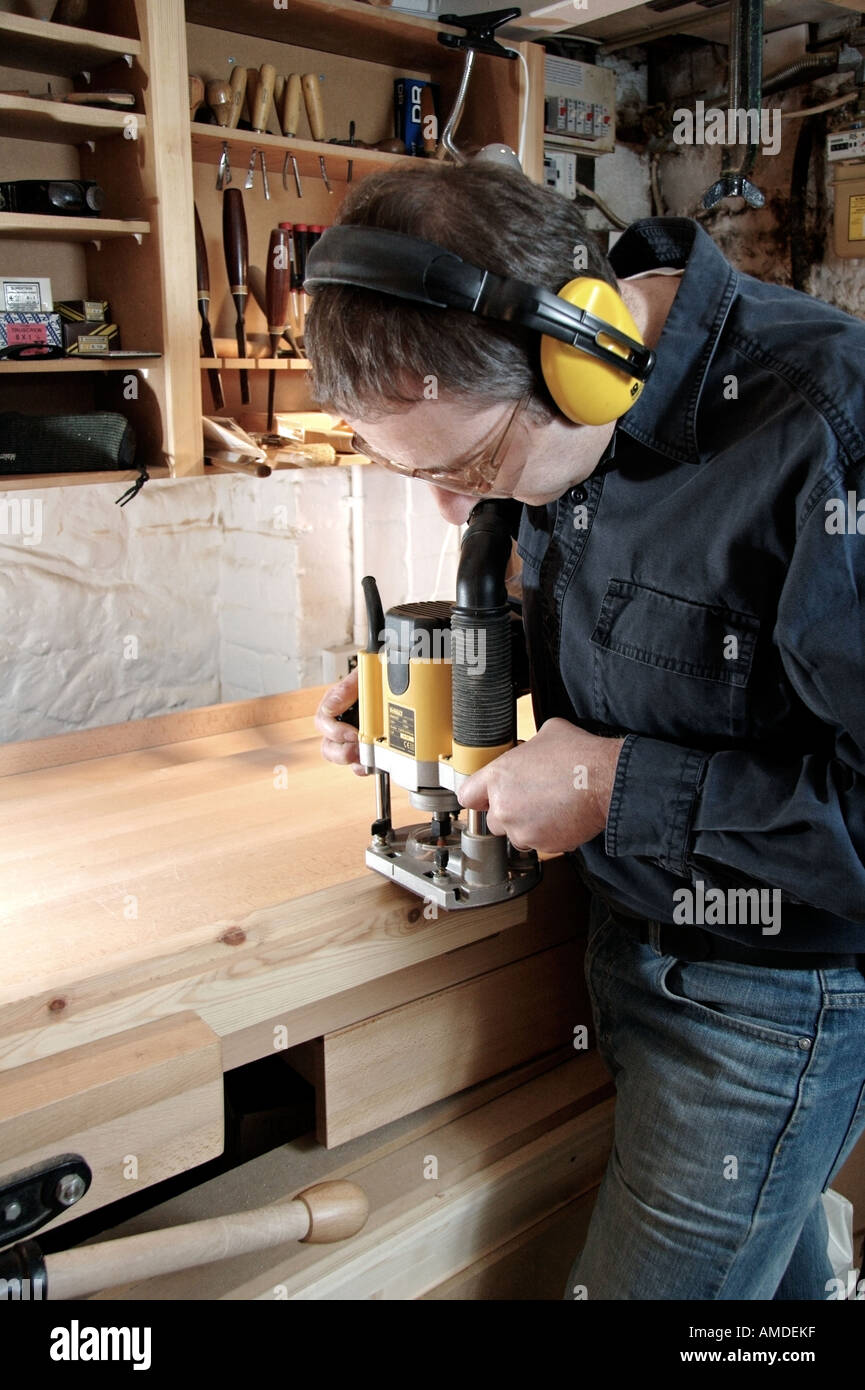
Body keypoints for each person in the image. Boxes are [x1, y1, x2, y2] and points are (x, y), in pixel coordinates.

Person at [308, 160, 865, 1301]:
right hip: (625, 948)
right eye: (414, 471)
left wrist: (619, 787)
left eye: (467, 465)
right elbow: (635, 634)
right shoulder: (564, 425)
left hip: (767, 1001)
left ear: (586, 352)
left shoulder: (827, 429)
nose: (456, 510)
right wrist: (435, 681)